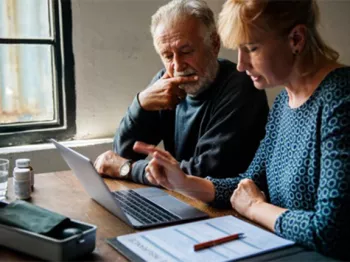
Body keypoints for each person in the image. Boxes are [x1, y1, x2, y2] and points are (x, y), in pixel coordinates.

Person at [133, 0, 350, 259]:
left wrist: (256, 208)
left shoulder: (342, 100)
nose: (240, 64)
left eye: (251, 48)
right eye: (238, 50)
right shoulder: (284, 102)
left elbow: (330, 231)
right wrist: (183, 182)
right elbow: (248, 183)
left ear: (296, 39)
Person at [94, 0, 269, 185]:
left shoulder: (242, 86)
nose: (177, 65)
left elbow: (205, 173)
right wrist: (140, 103)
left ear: (214, 44)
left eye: (186, 51)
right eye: (168, 56)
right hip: (183, 200)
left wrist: (128, 169)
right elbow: (122, 152)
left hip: (228, 207)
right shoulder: (166, 82)